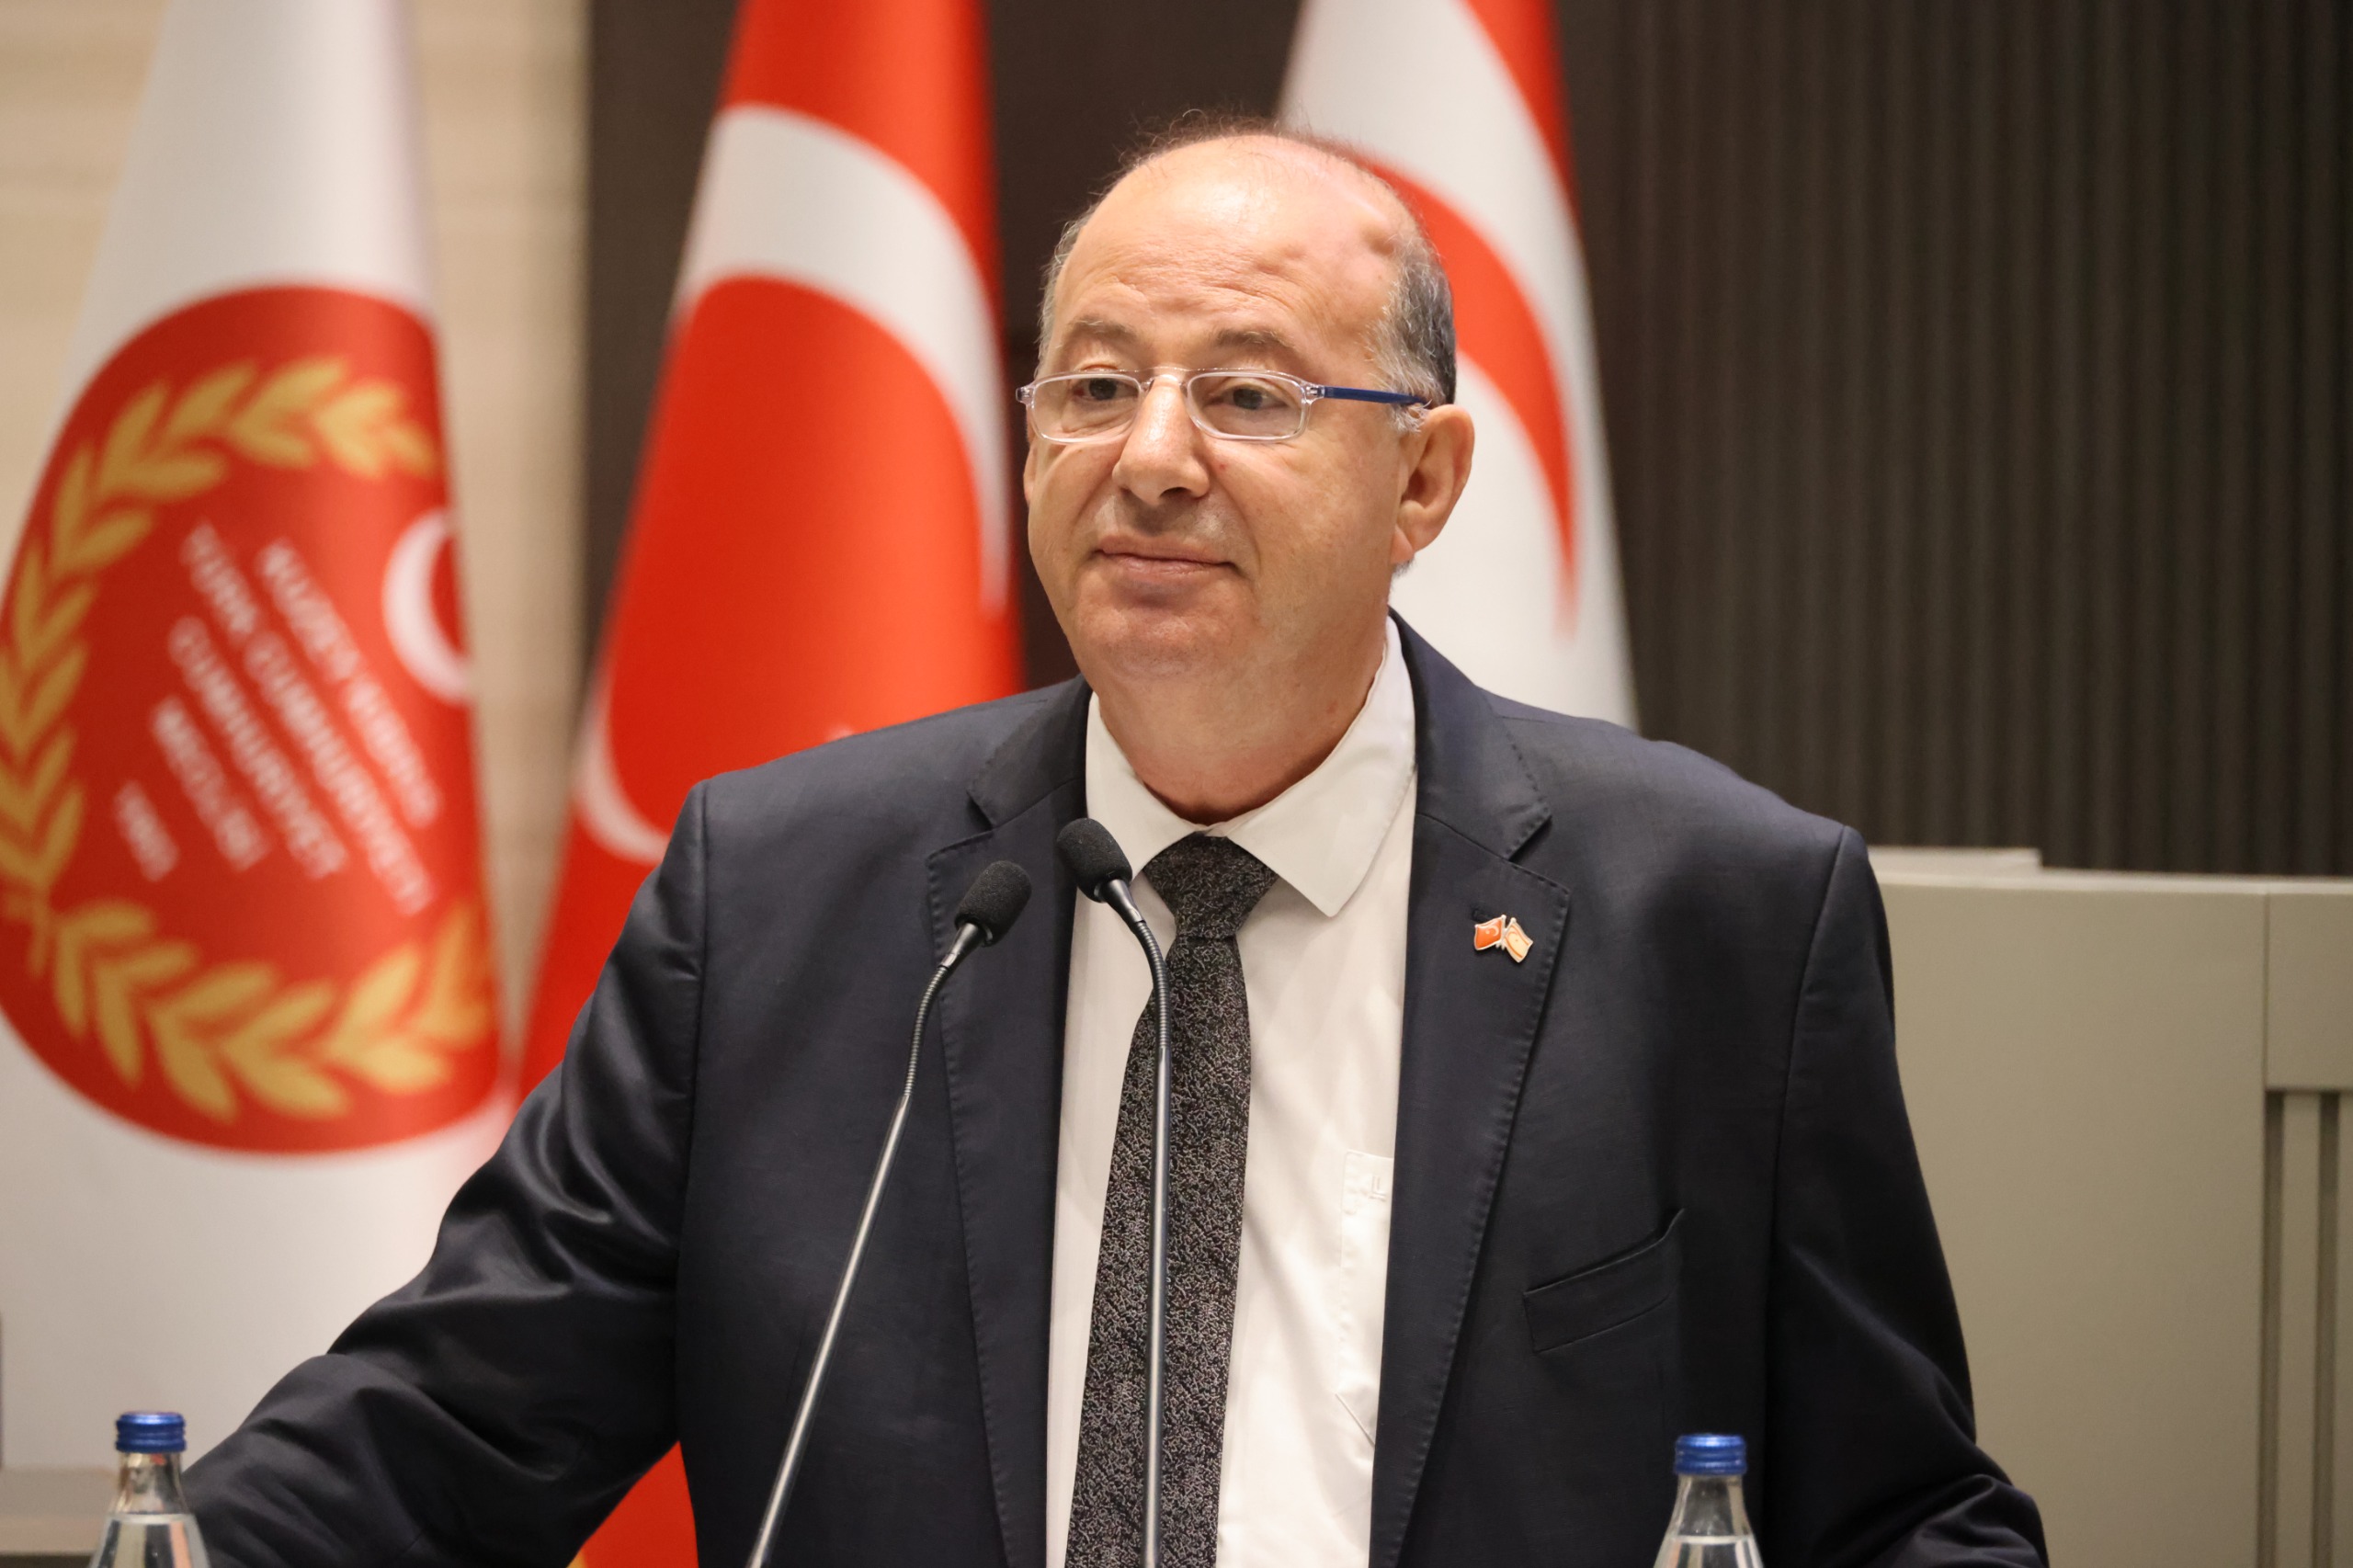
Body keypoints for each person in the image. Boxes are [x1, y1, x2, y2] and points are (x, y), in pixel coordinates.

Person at [188, 122, 2047, 1568]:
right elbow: (455, 1423)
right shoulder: (783, 897)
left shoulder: (1715, 915)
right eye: (1091, 386)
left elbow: (1900, 1512)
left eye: (1245, 393)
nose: (1149, 456)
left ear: (1421, 480)